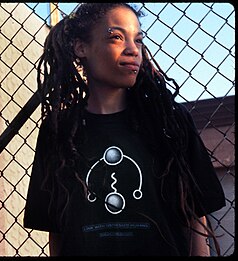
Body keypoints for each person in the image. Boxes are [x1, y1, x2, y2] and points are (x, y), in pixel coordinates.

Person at [23, 3, 226, 256]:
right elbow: (56, 227)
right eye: (116, 37)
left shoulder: (169, 122)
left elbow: (195, 215)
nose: (133, 50)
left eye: (138, 40)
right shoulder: (59, 130)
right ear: (81, 47)